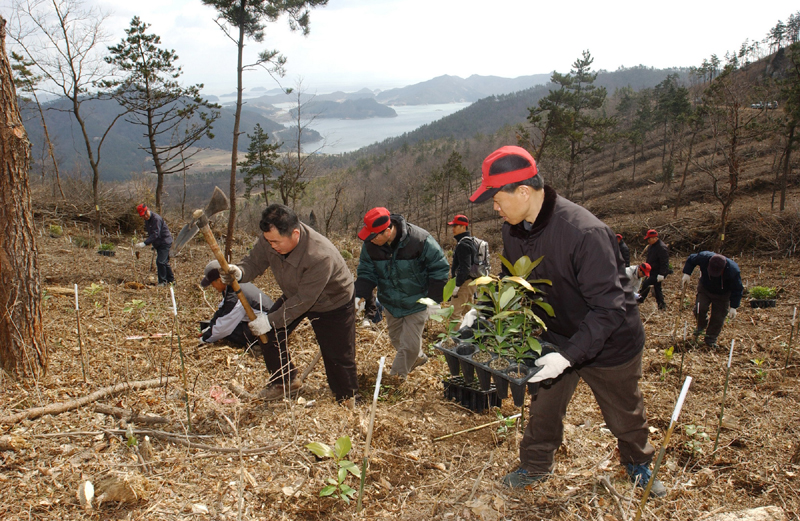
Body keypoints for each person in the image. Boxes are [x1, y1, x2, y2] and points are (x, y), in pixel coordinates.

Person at [469, 145, 665, 496]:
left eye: (497, 199)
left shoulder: (584, 233)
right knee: (543, 406)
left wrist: (570, 356)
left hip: (610, 340)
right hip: (557, 334)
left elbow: (609, 307)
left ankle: (638, 463)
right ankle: (536, 464)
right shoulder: (512, 230)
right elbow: (514, 280)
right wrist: (484, 307)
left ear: (524, 192)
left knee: (624, 409)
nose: (495, 208)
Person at [221, 204, 359, 404]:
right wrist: (240, 272)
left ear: (295, 233)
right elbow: (254, 262)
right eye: (268, 241)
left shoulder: (319, 255)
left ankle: (348, 399)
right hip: (295, 292)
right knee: (269, 334)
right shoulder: (270, 238)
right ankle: (285, 381)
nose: (272, 246)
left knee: (337, 355)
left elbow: (304, 300)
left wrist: (270, 320)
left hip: (332, 300)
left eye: (276, 242)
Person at [354, 207, 450, 381]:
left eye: (375, 236)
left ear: (388, 230)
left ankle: (395, 380)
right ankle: (418, 358)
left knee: (409, 347)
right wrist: (359, 295)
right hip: (390, 303)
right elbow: (367, 272)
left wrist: (435, 299)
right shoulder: (370, 245)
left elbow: (439, 267)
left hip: (416, 301)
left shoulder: (419, 240)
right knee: (397, 341)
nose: (371, 240)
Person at [198, 260, 274, 348]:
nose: (213, 287)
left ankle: (258, 345)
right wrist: (210, 327)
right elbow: (222, 310)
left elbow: (223, 327)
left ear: (219, 280)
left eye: (212, 284)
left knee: (230, 331)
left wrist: (204, 339)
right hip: (267, 324)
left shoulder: (237, 294)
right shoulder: (234, 285)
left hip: (269, 331)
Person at [681, 252, 743, 348]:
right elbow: (691, 259)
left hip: (723, 294)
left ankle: (710, 339)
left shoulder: (733, 270)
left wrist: (734, 306)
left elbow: (737, 289)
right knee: (700, 308)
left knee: (718, 317)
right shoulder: (704, 257)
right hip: (705, 288)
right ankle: (701, 325)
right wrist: (687, 273)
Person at [448, 214, 479, 318]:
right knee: (468, 313)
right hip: (471, 282)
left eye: (455, 226)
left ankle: (457, 334)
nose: (453, 228)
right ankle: (470, 333)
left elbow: (465, 268)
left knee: (454, 313)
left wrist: (457, 285)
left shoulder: (463, 244)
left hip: (464, 283)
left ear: (463, 227)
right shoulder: (470, 241)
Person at [136, 204, 175, 286]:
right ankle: (171, 281)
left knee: (160, 262)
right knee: (164, 262)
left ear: (148, 210)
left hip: (165, 242)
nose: (145, 216)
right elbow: (151, 233)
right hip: (158, 243)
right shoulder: (147, 220)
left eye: (145, 214)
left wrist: (145, 243)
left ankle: (162, 282)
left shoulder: (156, 219)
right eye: (143, 216)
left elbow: (155, 234)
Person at [637, 229, 670, 310]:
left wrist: (662, 274)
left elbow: (665, 262)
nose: (648, 241)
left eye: (649, 239)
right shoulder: (651, 246)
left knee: (646, 284)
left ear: (655, 238)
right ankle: (662, 306)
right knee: (657, 288)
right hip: (651, 271)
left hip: (658, 272)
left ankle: (639, 300)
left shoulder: (662, 248)